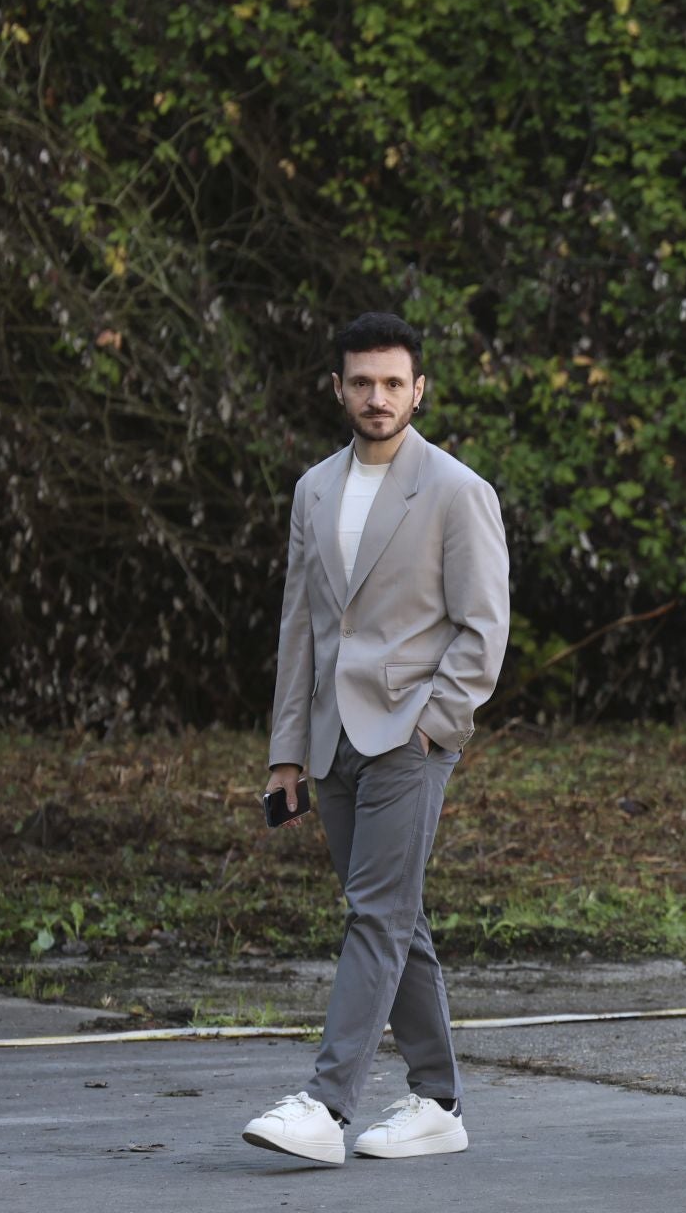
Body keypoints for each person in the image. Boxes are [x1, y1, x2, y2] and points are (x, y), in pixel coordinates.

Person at [242, 311, 509, 1165]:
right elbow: (302, 628)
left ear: (419, 389)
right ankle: (436, 1102)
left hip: (410, 737)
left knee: (376, 913)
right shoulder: (314, 488)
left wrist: (435, 729)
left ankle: (326, 1107)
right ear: (338, 389)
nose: (377, 397)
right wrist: (287, 751)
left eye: (394, 382)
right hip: (329, 743)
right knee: (399, 918)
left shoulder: (457, 489)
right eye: (362, 382)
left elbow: (482, 628)